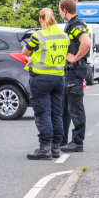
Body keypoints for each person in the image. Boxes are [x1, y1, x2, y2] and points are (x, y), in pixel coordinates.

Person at [23, 8, 69, 160]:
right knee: (57, 113)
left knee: (43, 114)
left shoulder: (38, 35)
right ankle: (56, 147)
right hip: (59, 78)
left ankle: (44, 149)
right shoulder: (64, 36)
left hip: (41, 79)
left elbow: (25, 52)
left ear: (40, 20)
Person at [58, 0, 91, 153]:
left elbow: (86, 42)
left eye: (60, 10)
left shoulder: (77, 26)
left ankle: (77, 142)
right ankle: (62, 140)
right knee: (65, 108)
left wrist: (75, 58)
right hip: (69, 71)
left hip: (75, 70)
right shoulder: (71, 25)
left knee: (75, 108)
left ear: (65, 10)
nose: (59, 13)